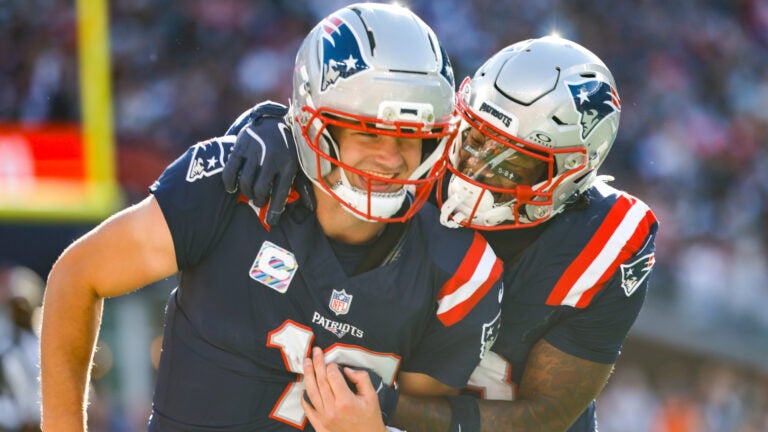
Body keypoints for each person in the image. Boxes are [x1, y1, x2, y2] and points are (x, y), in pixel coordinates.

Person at [39, 4, 504, 431]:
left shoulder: (459, 264)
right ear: (313, 122)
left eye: (412, 135)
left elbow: (425, 416)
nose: (392, 158)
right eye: (368, 131)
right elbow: (77, 277)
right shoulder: (230, 187)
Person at [222, 35, 659, 432]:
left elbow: (545, 416)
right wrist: (275, 126)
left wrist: (385, 408)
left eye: (512, 164)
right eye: (473, 138)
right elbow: (328, 131)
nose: (474, 170)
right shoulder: (413, 155)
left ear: (572, 173)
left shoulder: (607, 241)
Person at [0, 264, 43, 432]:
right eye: (15, 305)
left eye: (24, 304)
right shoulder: (5, 346)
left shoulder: (44, 342)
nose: (20, 310)